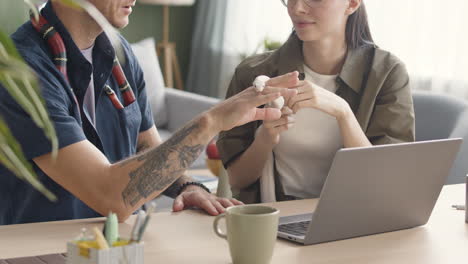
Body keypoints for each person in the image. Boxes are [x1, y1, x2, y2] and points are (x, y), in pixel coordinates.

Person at [0, 0, 298, 225]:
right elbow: (110, 195)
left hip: (121, 242)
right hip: (44, 247)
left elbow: (148, 145)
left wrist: (188, 184)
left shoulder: (119, 53)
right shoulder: (20, 70)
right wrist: (212, 121)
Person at [217, 0, 415, 204]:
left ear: (352, 3)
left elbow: (383, 182)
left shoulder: (387, 73)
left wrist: (343, 113)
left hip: (353, 218)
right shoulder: (254, 74)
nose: (297, 8)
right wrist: (265, 137)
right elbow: (238, 180)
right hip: (276, 217)